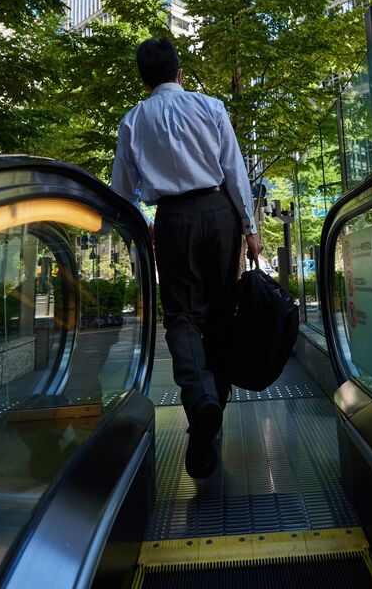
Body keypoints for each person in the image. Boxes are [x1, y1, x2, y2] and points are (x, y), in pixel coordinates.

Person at [111, 37, 262, 479]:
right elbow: (234, 169)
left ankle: (201, 402)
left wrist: (138, 231)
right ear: (179, 73)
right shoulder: (211, 107)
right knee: (221, 315)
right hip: (220, 215)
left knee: (182, 317)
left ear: (144, 79)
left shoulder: (133, 121)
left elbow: (122, 193)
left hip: (172, 219)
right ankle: (213, 413)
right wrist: (250, 230)